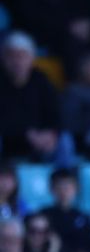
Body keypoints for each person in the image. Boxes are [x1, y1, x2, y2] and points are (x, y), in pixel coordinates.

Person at [0, 31, 73, 165]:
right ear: (3, 58)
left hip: (40, 140)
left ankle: (63, 176)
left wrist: (51, 133)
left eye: (22, 56)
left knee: (64, 138)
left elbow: (55, 113)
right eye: (11, 56)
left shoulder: (41, 80)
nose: (17, 62)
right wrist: (27, 133)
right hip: (9, 139)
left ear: (31, 58)